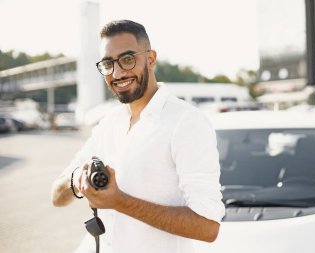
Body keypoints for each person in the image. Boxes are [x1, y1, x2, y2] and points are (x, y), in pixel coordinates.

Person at [51, 19, 225, 253]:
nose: (117, 72)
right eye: (107, 63)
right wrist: (77, 181)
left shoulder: (187, 122)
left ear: (150, 59)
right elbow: (56, 196)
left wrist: (118, 201)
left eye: (127, 59)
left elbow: (208, 228)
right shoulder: (109, 123)